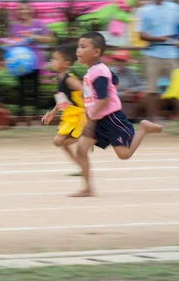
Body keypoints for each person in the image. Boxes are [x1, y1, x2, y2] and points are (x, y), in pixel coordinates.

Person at [71, 32, 163, 198]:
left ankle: (143, 128)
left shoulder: (98, 73)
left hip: (111, 119)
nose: (78, 50)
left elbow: (104, 100)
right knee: (81, 149)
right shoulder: (96, 70)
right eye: (79, 46)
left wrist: (91, 120)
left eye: (83, 47)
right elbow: (115, 81)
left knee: (124, 155)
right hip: (98, 119)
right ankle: (87, 188)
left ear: (96, 52)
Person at [138, 0, 179, 121]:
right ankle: (152, 119)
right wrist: (159, 39)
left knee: (177, 86)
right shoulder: (144, 10)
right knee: (151, 89)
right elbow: (141, 35)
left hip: (172, 53)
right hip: (152, 53)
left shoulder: (174, 8)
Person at [41, 44, 85, 171]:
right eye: (52, 59)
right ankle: (81, 167)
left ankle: (87, 137)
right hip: (70, 115)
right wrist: (53, 113)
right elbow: (62, 99)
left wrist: (87, 103)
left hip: (78, 115)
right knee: (62, 143)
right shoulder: (59, 78)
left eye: (55, 59)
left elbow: (82, 88)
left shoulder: (68, 79)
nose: (52, 62)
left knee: (58, 141)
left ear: (66, 63)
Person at [8, 0, 52, 116]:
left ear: (31, 10)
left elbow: (49, 39)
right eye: (21, 9)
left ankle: (36, 111)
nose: (23, 11)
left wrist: (33, 37)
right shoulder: (14, 26)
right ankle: (20, 110)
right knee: (21, 86)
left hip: (35, 61)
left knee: (35, 86)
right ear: (17, 11)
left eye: (26, 8)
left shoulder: (38, 24)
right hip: (19, 62)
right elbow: (11, 41)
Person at [110, 50, 146, 122]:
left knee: (144, 95)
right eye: (118, 60)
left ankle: (134, 116)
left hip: (130, 96)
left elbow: (141, 85)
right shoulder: (109, 72)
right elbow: (106, 90)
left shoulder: (131, 72)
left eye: (122, 61)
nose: (120, 63)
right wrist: (121, 94)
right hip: (114, 96)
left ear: (126, 62)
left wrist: (131, 90)